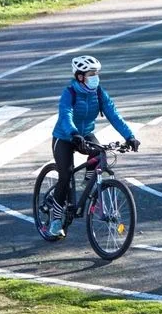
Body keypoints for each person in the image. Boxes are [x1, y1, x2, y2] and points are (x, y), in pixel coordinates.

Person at [47, 55, 140, 238]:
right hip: (65, 136)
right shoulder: (69, 93)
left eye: (97, 73)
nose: (95, 77)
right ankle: (55, 221)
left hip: (85, 135)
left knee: (99, 153)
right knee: (65, 175)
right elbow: (65, 115)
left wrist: (130, 136)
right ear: (80, 76)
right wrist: (74, 134)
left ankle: (88, 185)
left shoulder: (98, 93)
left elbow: (114, 115)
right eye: (91, 74)